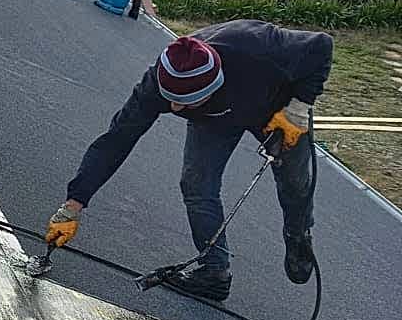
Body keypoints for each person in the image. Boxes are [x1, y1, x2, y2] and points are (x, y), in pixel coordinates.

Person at [45, 20, 333, 301]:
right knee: (197, 185)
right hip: (214, 120)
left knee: (295, 182)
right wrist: (73, 205)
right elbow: (116, 141)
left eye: (184, 102)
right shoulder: (157, 84)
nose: (174, 107)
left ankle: (297, 232)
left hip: (277, 110)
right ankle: (214, 272)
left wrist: (299, 106)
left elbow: (321, 47)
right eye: (170, 100)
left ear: (212, 87)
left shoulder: (255, 47)